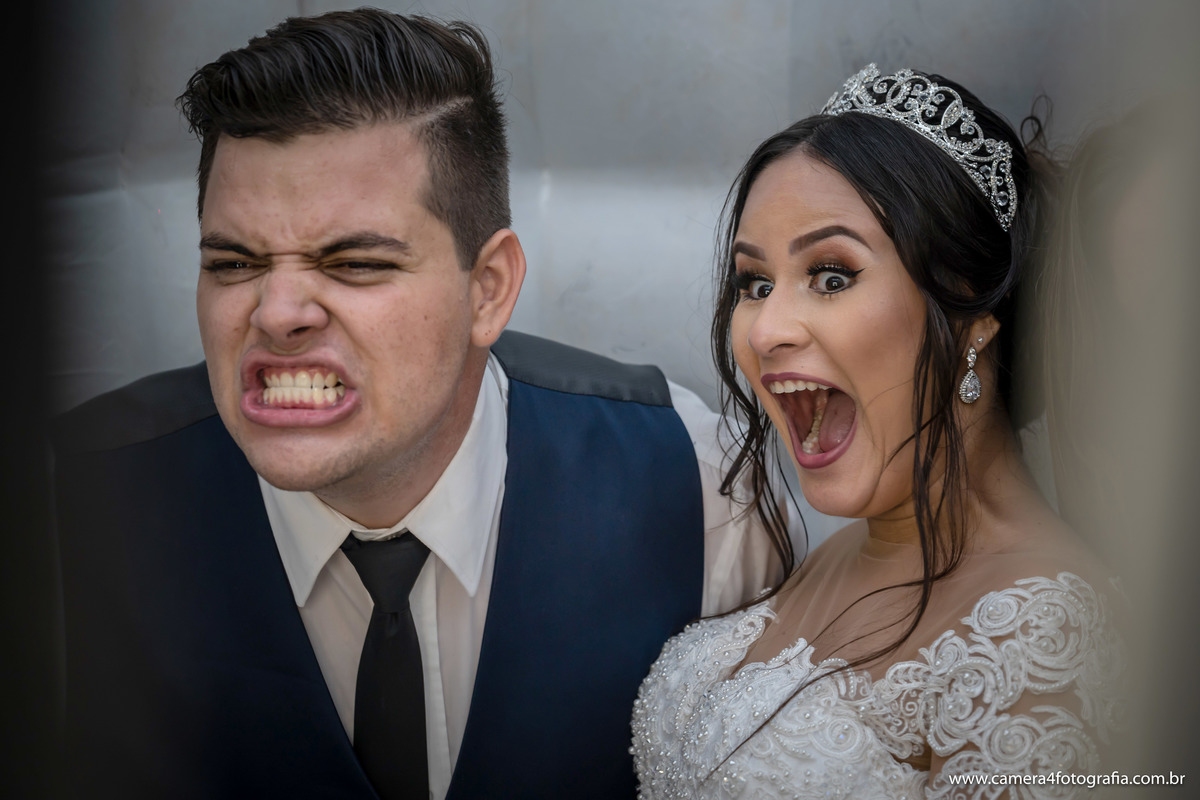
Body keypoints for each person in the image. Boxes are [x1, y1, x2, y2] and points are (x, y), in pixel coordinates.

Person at [50, 10, 800, 799]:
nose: (276, 314)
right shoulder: (67, 504)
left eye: (355, 263)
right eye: (234, 262)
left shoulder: (701, 487)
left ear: (489, 289)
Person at [632, 65, 1125, 797]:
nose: (765, 329)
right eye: (753, 283)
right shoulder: (829, 555)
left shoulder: (1045, 635)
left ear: (969, 311)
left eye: (831, 276)